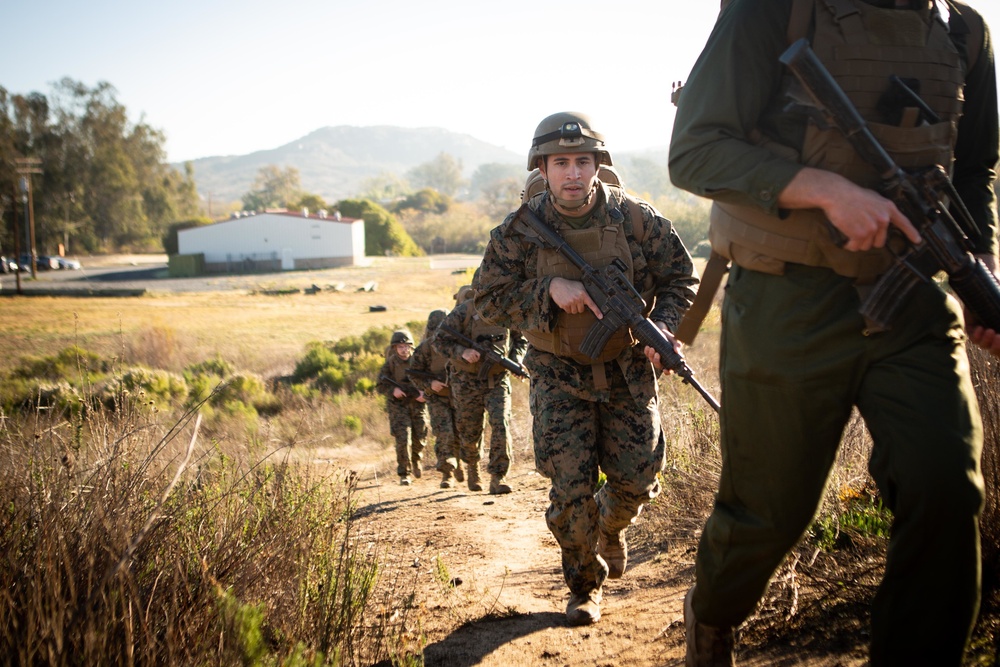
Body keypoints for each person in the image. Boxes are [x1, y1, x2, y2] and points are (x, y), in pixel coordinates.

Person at [668, 0, 997, 664]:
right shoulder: (772, 10)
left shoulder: (962, 29)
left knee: (946, 487)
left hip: (915, 297)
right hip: (789, 297)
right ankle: (713, 611)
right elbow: (696, 150)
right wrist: (820, 188)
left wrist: (979, 266)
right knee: (769, 511)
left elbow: (974, 165)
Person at [474, 111, 699, 626]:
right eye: (560, 163)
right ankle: (583, 586)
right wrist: (548, 292)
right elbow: (486, 301)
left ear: (598, 165)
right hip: (557, 374)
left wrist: (663, 329)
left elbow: (681, 280)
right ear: (543, 168)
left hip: (626, 371)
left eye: (582, 161)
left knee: (638, 480)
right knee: (570, 493)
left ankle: (611, 527)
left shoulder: (637, 220)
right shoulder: (517, 232)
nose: (572, 173)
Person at [433, 276, 528, 495]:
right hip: (466, 381)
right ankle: (472, 465)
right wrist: (462, 353)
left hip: (498, 379)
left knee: (500, 424)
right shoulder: (463, 312)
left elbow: (521, 338)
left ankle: (498, 476)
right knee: (470, 431)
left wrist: (515, 361)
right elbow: (439, 340)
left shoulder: (506, 311)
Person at [408, 309, 465, 488]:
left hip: (459, 396)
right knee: (444, 432)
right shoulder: (425, 348)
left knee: (460, 433)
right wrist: (430, 384)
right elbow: (414, 374)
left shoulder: (458, 344)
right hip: (437, 398)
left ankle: (459, 463)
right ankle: (446, 473)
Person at [376, 329, 429, 485]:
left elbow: (427, 380)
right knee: (403, 439)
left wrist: (423, 393)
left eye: (406, 346)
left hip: (417, 405)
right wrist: (394, 391)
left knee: (420, 437)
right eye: (400, 347)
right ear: (394, 348)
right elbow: (380, 386)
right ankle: (404, 473)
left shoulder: (418, 361)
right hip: (398, 407)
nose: (404, 350)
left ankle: (416, 460)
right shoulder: (390, 364)